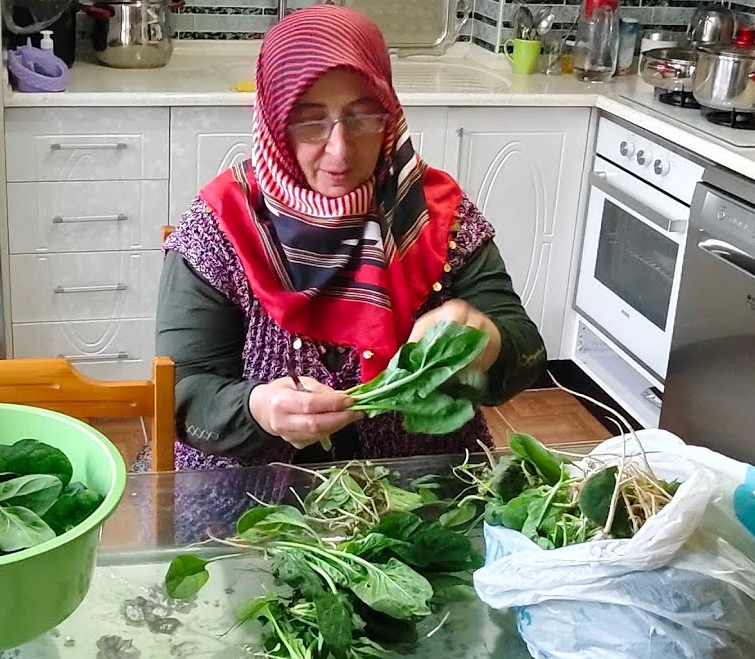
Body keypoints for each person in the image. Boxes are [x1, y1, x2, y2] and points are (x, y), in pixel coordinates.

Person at [155, 5, 546, 471]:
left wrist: (489, 341)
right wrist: (259, 409)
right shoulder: (223, 226)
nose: (340, 149)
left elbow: (529, 352)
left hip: (421, 495)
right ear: (274, 122)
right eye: (309, 119)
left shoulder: (437, 215)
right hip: (252, 504)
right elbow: (183, 394)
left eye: (364, 116)